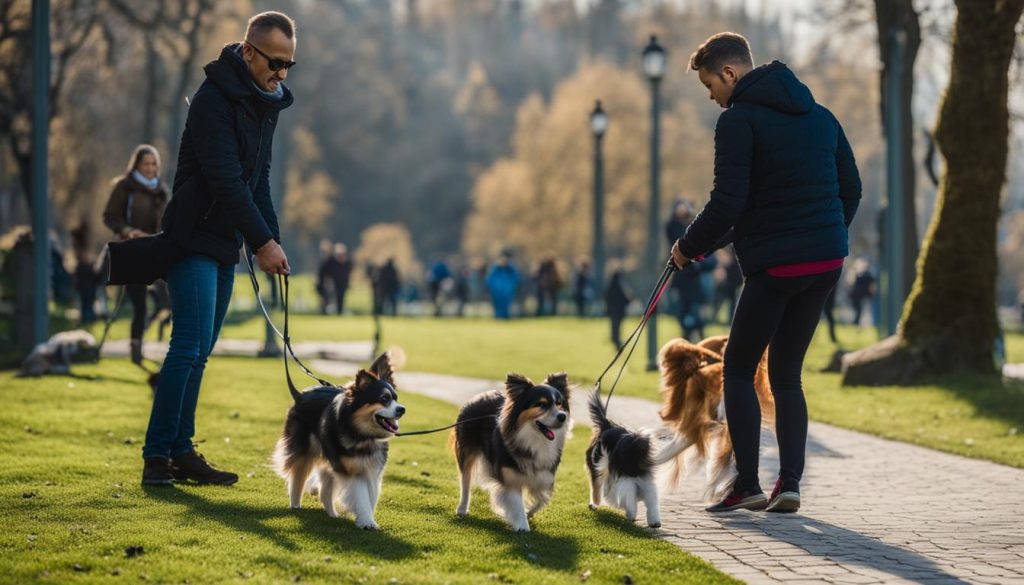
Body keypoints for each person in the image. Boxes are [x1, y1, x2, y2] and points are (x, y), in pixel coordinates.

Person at [670, 32, 861, 513]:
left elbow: (727, 203)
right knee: (787, 374)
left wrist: (685, 248)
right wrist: (825, 234)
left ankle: (749, 484)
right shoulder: (821, 117)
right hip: (825, 262)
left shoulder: (738, 122)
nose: (712, 96)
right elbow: (851, 189)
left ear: (730, 73)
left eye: (710, 84)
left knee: (737, 368)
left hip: (776, 266)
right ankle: (790, 484)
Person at [141, 12, 295, 487]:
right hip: (192, 236)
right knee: (187, 346)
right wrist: (261, 242)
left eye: (290, 65)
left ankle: (181, 451)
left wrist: (272, 238)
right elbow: (226, 182)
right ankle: (155, 458)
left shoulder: (264, 101)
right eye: (275, 62)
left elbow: (258, 178)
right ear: (248, 51)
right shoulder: (212, 101)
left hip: (225, 240)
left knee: (201, 349)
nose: (282, 74)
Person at [103, 145, 171, 364]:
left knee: (166, 301)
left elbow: (169, 219)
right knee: (139, 305)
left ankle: (147, 337)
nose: (150, 168)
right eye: (146, 164)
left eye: (154, 164)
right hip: (132, 250)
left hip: (156, 250)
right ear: (137, 164)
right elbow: (110, 216)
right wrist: (126, 230)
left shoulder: (161, 190)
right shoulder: (125, 187)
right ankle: (136, 351)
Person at [486, 252, 520, 320]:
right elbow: (489, 280)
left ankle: (505, 317)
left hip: (508, 292)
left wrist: (512, 287)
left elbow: (516, 279)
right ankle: (498, 317)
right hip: (496, 292)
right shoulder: (495, 269)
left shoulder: (511, 269)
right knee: (497, 306)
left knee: (506, 305)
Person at [605, 268, 632, 348]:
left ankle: (614, 337)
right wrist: (629, 301)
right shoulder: (620, 285)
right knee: (617, 325)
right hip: (619, 310)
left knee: (614, 324)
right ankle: (616, 338)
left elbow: (607, 297)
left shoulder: (610, 285)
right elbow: (624, 298)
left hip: (613, 310)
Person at [847, 258, 876, 327]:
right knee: (860, 310)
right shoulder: (867, 275)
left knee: (861, 310)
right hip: (861, 295)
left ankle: (859, 323)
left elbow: (851, 284)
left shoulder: (861, 275)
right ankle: (858, 322)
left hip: (860, 295)